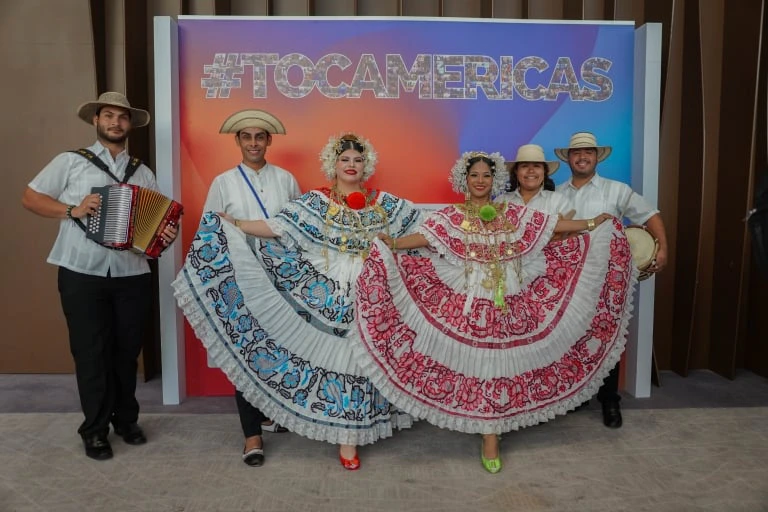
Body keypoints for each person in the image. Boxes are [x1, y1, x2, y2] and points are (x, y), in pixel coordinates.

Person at [356, 151, 636, 474]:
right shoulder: (452, 216)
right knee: (481, 365)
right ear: (465, 179)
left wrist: (592, 224)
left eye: (486, 176)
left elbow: (551, 225)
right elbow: (426, 237)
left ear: (495, 180)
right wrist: (392, 244)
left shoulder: (511, 212)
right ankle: (489, 431)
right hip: (470, 298)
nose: (480, 181)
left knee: (500, 366)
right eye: (474, 175)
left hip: (511, 295)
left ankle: (494, 430)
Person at [173, 133, 422, 470]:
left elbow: (424, 229)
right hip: (328, 288)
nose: (351, 165)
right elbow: (279, 227)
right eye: (345, 159)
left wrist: (393, 241)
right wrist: (235, 224)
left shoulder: (383, 202)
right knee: (342, 360)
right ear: (333, 164)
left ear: (367, 165)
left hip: (372, 288)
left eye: (357, 160)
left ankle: (356, 432)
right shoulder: (317, 201)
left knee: (366, 361)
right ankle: (345, 438)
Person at [21, 92, 179, 460]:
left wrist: (162, 236)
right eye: (108, 115)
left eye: (122, 117)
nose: (115, 123)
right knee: (91, 352)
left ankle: (126, 420)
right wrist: (71, 209)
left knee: (126, 352)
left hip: (132, 273)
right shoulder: (71, 162)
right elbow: (30, 198)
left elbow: (152, 227)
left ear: (129, 125)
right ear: (96, 121)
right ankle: (94, 430)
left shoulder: (142, 172)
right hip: (81, 270)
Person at [199, 109, 300, 467]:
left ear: (269, 141)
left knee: (277, 348)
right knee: (246, 351)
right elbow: (209, 233)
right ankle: (251, 434)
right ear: (238, 141)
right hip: (241, 280)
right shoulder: (223, 182)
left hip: (281, 281)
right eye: (247, 137)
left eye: (260, 136)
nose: (254, 143)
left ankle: (269, 414)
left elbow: (296, 230)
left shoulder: (287, 179)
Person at [555, 132, 669, 429]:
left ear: (597, 157)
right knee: (571, 336)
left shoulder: (617, 190)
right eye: (577, 152)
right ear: (568, 158)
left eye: (588, 152)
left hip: (609, 277)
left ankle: (609, 399)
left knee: (608, 336)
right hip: (568, 278)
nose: (582, 157)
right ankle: (576, 396)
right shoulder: (556, 194)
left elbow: (650, 215)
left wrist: (664, 248)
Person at [497, 143, 573, 217]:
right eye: (525, 166)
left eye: (536, 166)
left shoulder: (558, 201)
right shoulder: (501, 201)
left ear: (544, 171)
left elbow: (569, 228)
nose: (531, 171)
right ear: (516, 171)